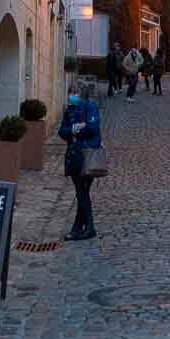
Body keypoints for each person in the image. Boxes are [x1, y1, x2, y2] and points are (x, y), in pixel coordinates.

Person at [58, 81, 101, 240]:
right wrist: (75, 129)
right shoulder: (69, 109)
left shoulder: (90, 106)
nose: (72, 95)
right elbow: (62, 131)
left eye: (75, 92)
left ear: (81, 93)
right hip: (74, 156)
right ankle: (80, 227)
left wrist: (78, 131)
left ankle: (88, 228)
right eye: (70, 91)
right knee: (81, 192)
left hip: (88, 155)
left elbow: (93, 128)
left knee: (82, 192)